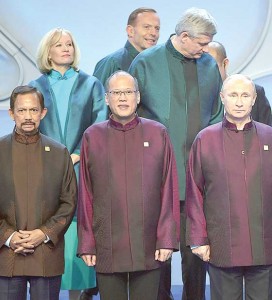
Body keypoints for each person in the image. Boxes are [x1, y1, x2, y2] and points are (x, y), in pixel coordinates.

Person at [129, 7, 223, 300]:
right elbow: (129, 117)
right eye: (202, 43)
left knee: (196, 253)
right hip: (156, 178)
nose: (207, 49)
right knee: (157, 253)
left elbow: (217, 117)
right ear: (184, 36)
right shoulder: (145, 63)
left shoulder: (208, 65)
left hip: (198, 180)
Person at [77, 71, 180, 300]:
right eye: (116, 93)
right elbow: (85, 193)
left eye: (128, 92)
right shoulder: (92, 136)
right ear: (106, 98)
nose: (123, 98)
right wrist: (87, 243)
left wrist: (166, 238)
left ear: (138, 97)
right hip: (107, 245)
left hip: (149, 244)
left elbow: (168, 191)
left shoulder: (158, 133)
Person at [29, 28, 107, 300]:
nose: (66, 48)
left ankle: (78, 295)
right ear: (47, 52)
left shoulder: (91, 84)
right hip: (44, 172)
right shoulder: (35, 87)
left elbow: (99, 125)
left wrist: (75, 155)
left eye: (70, 44)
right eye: (59, 45)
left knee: (76, 236)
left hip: (80, 169)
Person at [186, 74, 272, 300]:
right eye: (233, 95)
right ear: (222, 97)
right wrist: (198, 238)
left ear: (254, 99)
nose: (240, 101)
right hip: (221, 243)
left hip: (264, 243)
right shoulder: (205, 139)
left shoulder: (269, 137)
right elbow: (194, 192)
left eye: (245, 95)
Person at [0, 85, 77, 299]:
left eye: (33, 110)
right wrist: (9, 237)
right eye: (22, 110)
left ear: (43, 113)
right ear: (11, 113)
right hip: (6, 254)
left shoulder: (59, 153)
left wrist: (43, 234)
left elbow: (69, 202)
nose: (27, 116)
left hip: (46, 253)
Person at [208, 41, 272, 126]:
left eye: (210, 67)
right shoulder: (195, 97)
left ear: (225, 64)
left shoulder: (256, 92)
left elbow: (267, 133)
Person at [93, 7, 160, 85]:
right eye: (146, 27)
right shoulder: (112, 63)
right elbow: (96, 96)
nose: (153, 33)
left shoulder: (157, 65)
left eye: (157, 28)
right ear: (130, 31)